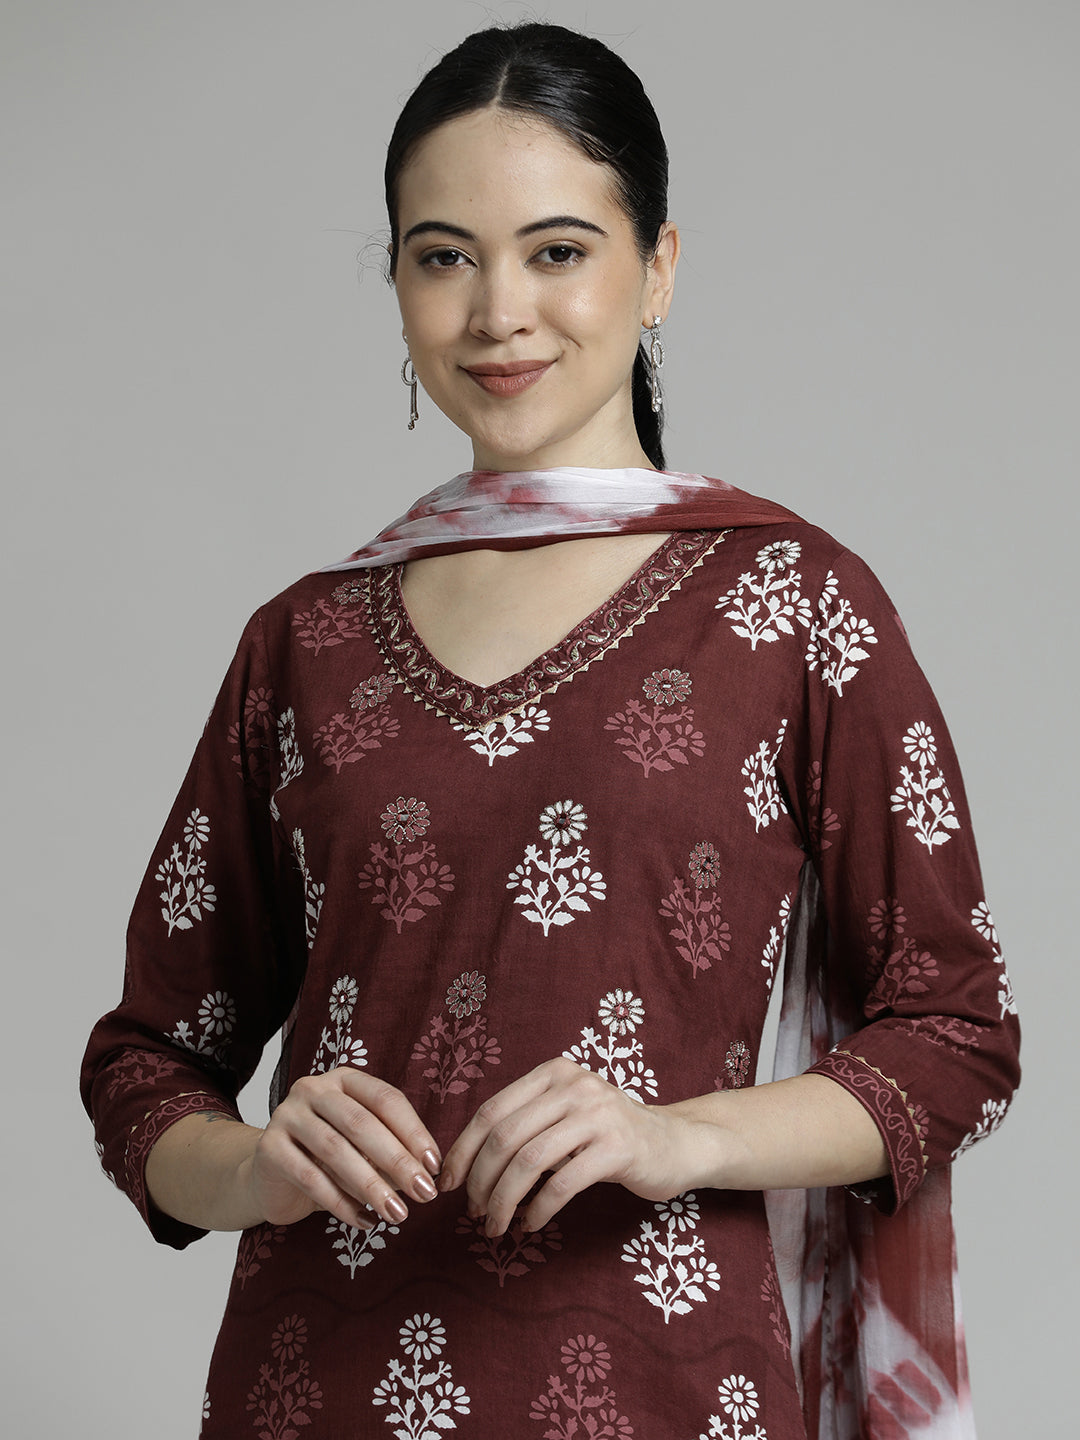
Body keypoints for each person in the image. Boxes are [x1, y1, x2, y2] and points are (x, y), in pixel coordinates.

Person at [82, 21, 1020, 1439]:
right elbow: (145, 1065)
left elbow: (954, 1035)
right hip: (316, 1391)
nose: (497, 312)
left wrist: (678, 1136)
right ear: (398, 283)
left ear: (660, 267)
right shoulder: (305, 642)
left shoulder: (791, 604)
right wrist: (255, 1168)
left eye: (558, 250)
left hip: (669, 1389)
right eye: (442, 257)